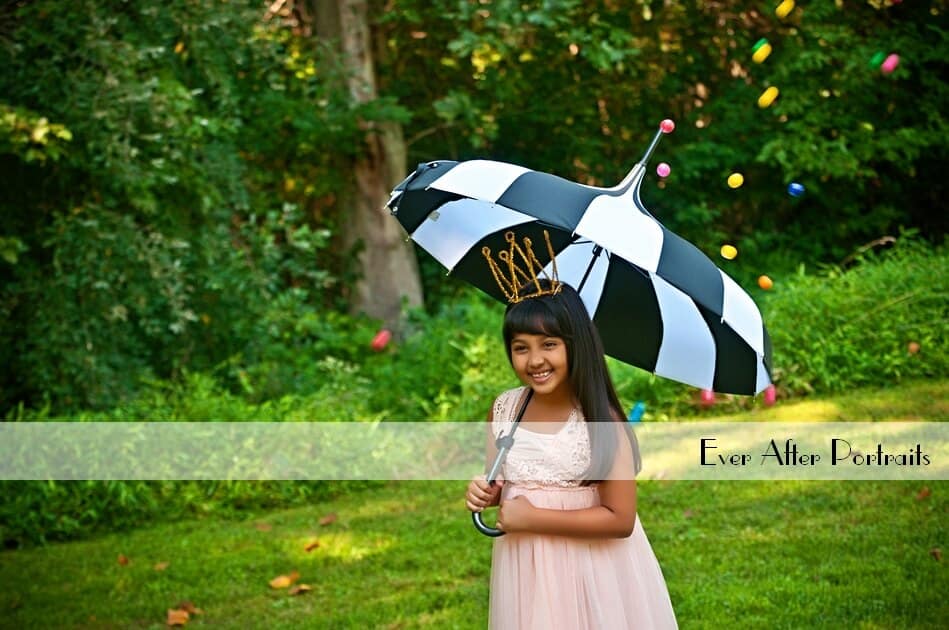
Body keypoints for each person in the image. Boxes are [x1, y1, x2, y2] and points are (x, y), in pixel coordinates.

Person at [465, 275, 678, 629]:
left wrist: (533, 519)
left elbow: (620, 518)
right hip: (526, 567)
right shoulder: (505, 409)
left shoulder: (599, 421)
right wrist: (487, 493)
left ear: (575, 344)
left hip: (593, 568)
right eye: (521, 347)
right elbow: (502, 480)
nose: (534, 360)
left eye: (549, 344)